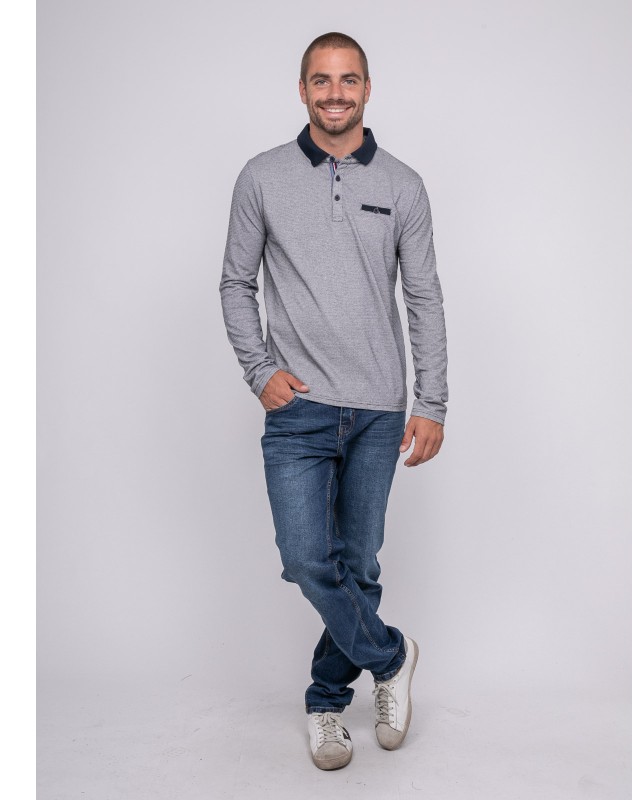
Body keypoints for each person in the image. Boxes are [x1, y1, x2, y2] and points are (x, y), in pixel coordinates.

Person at [219, 31, 448, 770]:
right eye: (322, 80)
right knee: (306, 558)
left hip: (380, 409)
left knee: (359, 563)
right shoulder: (261, 176)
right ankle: (392, 657)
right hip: (299, 409)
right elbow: (235, 282)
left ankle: (325, 704)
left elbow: (423, 297)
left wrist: (432, 402)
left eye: (348, 79)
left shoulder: (404, 185)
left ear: (368, 89)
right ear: (302, 90)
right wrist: (259, 370)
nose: (335, 93)